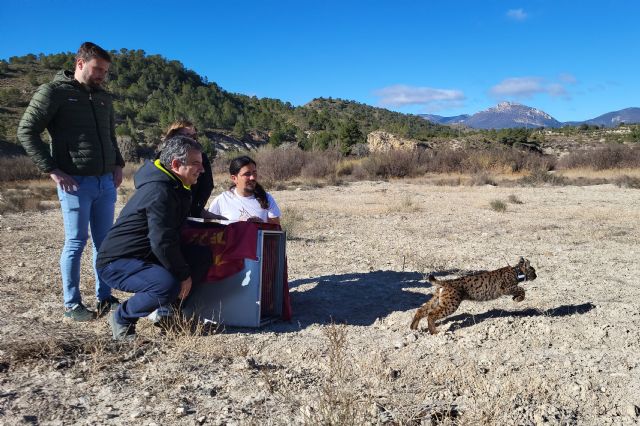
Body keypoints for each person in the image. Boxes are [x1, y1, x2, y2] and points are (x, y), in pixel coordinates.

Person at [17, 42, 125, 321]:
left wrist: (118, 164)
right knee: (76, 242)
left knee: (105, 244)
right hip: (74, 182)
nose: (102, 75)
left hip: (105, 182)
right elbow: (26, 131)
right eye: (97, 69)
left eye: (105, 71)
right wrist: (52, 169)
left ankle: (105, 297)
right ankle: (72, 304)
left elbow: (110, 136)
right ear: (80, 63)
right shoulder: (53, 92)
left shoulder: (104, 98)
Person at [96, 135, 204, 340]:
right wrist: (182, 275)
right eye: (196, 164)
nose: (202, 169)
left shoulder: (176, 186)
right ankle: (123, 317)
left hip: (146, 255)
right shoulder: (160, 191)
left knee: (200, 256)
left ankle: (169, 312)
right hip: (117, 263)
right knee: (166, 284)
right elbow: (162, 241)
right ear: (175, 164)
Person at [162, 120, 215, 218]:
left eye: (194, 136)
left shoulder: (201, 156)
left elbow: (207, 185)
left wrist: (196, 208)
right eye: (186, 135)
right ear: (173, 136)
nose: (192, 139)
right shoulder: (161, 157)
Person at [207, 156, 281, 224]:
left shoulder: (267, 199)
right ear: (234, 178)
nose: (252, 177)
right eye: (247, 174)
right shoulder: (222, 200)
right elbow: (210, 230)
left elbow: (275, 234)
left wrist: (260, 225)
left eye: (254, 173)